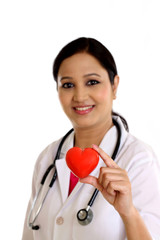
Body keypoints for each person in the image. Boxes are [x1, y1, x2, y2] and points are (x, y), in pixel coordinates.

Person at [22, 37, 160, 240]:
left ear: (114, 86)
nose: (79, 96)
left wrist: (128, 212)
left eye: (92, 82)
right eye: (68, 85)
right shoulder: (47, 159)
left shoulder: (138, 159)